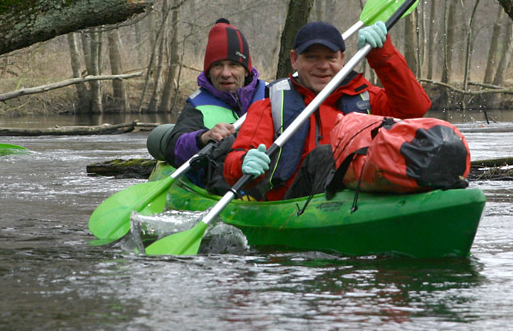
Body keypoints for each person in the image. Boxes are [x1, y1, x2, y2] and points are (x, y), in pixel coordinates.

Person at [223, 20, 431, 201]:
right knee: (324, 155)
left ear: (342, 59)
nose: (322, 66)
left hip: (361, 196)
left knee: (431, 142)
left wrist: (382, 55)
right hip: (295, 203)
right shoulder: (270, 107)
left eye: (330, 58)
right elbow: (234, 162)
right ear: (294, 59)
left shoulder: (367, 98)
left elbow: (415, 109)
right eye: (312, 57)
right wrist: (243, 163)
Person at [163, 19, 267, 187]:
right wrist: (203, 137)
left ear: (247, 70)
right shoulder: (197, 105)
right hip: (221, 183)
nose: (225, 73)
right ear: (209, 71)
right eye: (218, 65)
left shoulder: (272, 95)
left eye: (233, 65)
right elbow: (174, 148)